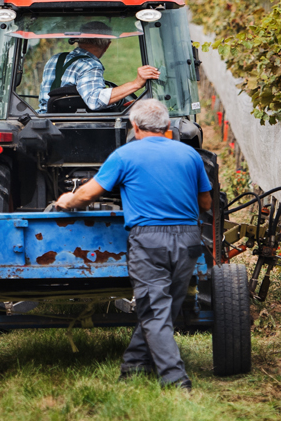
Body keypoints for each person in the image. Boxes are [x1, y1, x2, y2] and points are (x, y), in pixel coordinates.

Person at [54, 98, 212, 390]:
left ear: (134, 126)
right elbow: (205, 201)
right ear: (167, 127)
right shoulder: (190, 156)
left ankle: (175, 380)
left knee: (154, 310)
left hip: (150, 240)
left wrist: (67, 201)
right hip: (189, 239)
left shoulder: (125, 155)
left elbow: (88, 194)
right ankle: (133, 367)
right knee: (163, 308)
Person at [37, 21, 159, 113]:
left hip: (42, 122)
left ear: (79, 39)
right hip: (72, 128)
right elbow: (95, 101)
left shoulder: (55, 59)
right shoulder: (90, 65)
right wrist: (136, 84)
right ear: (107, 45)